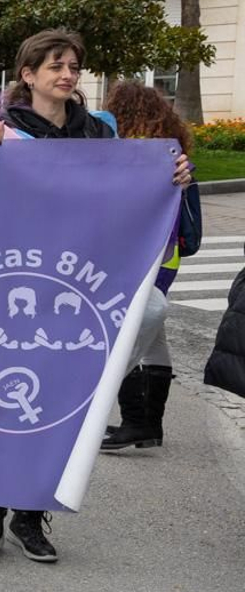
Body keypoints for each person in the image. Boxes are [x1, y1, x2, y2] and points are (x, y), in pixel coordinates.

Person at [0, 29, 193, 563]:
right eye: (54, 66)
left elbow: (126, 192)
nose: (66, 75)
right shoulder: (4, 131)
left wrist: (172, 175)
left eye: (72, 66)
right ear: (28, 75)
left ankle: (30, 516)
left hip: (76, 288)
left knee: (58, 405)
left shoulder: (98, 135)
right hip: (15, 289)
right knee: (2, 406)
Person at [100, 79, 191, 452]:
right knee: (153, 338)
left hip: (137, 255)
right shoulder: (171, 148)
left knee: (126, 333)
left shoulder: (130, 153)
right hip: (168, 257)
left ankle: (138, 420)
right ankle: (145, 423)